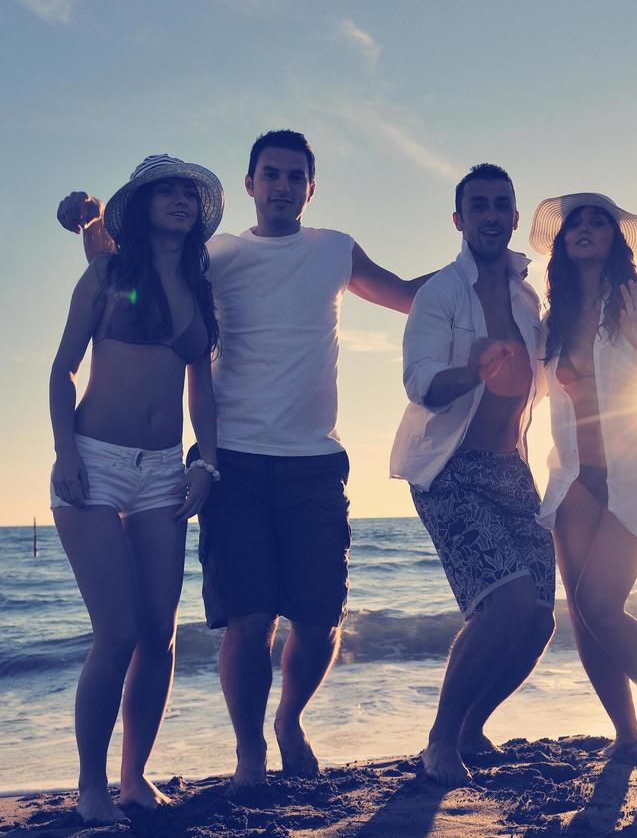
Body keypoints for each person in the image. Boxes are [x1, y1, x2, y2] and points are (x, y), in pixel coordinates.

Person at [58, 130, 432, 790]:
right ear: (252, 184)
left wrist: (476, 273)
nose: (283, 185)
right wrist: (88, 218)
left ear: (309, 188)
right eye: (271, 174)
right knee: (240, 619)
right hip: (214, 458)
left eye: (296, 176)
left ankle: (276, 725)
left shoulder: (327, 251)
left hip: (297, 459)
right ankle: (242, 754)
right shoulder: (215, 259)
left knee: (314, 621)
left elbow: (404, 293)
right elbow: (124, 273)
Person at [48, 154, 223, 822]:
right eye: (167, 191)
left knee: (159, 634)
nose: (180, 200)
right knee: (115, 633)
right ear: (144, 204)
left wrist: (206, 463)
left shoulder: (199, 285)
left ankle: (134, 778)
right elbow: (62, 372)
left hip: (164, 472)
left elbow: (202, 388)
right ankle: (91, 786)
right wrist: (65, 451)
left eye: (190, 193)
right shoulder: (108, 275)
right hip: (93, 461)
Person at [390, 164, 555, 787]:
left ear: (515, 218)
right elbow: (421, 384)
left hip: (513, 470)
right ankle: (439, 742)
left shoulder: (525, 296)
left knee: (538, 616)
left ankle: (470, 727)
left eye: (501, 205)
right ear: (459, 220)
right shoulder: (440, 293)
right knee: (503, 603)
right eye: (477, 206)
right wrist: (476, 369)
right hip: (449, 471)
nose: (490, 215)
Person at [528, 193, 637, 765]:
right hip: (575, 474)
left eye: (598, 220)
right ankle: (625, 734)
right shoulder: (552, 322)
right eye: (575, 222)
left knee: (602, 604)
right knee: (581, 611)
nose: (585, 227)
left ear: (617, 239)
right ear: (560, 243)